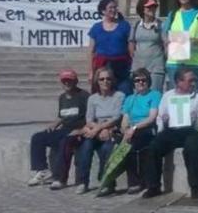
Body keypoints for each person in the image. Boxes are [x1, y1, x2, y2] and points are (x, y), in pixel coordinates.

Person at [142, 68, 198, 199]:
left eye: (194, 81)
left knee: (192, 148)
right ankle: (153, 186)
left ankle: (195, 187)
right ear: (179, 81)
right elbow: (160, 117)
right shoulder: (168, 96)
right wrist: (165, 121)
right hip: (172, 130)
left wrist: (195, 119)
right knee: (153, 148)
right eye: (190, 81)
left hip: (191, 130)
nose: (193, 83)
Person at [27, 69, 89, 187]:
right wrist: (54, 124)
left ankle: (59, 178)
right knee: (37, 137)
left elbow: (90, 116)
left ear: (75, 81)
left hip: (77, 130)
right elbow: (62, 116)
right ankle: (43, 171)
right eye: (64, 81)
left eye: (69, 81)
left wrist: (82, 130)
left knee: (63, 142)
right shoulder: (62, 98)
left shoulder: (84, 96)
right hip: (64, 129)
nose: (67, 83)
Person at [77, 67, 125, 195]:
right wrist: (97, 130)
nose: (105, 81)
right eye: (102, 79)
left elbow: (116, 117)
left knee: (107, 148)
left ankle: (107, 182)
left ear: (112, 80)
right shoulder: (92, 98)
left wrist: (99, 128)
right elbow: (89, 119)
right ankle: (82, 182)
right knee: (86, 146)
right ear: (97, 81)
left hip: (112, 129)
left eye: (108, 79)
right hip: (97, 130)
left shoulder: (119, 96)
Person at [114, 68, 161, 194]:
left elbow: (152, 117)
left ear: (148, 81)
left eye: (143, 80)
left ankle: (142, 181)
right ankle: (131, 181)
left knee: (136, 143)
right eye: (137, 80)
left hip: (147, 127)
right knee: (121, 144)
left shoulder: (155, 95)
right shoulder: (130, 99)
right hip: (131, 130)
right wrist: (125, 130)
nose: (140, 83)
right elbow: (125, 118)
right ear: (133, 83)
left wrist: (133, 129)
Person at [89, 0, 132, 94]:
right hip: (102, 66)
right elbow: (92, 52)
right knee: (102, 94)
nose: (113, 10)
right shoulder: (96, 28)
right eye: (110, 8)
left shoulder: (124, 26)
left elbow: (130, 48)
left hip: (122, 66)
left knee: (124, 92)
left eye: (115, 7)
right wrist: (91, 72)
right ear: (103, 11)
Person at [129, 0, 165, 92]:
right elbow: (131, 42)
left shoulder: (162, 25)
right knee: (138, 95)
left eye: (154, 6)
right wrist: (134, 55)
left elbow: (166, 43)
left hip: (156, 68)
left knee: (155, 95)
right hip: (138, 67)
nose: (152, 9)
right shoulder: (136, 25)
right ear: (142, 9)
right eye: (149, 7)